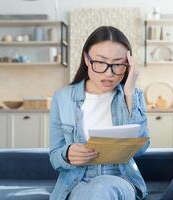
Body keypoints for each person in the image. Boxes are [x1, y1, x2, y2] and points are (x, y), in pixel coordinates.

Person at [49, 26, 150, 200]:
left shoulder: (133, 94)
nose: (109, 73)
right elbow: (54, 157)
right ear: (87, 60)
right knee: (91, 192)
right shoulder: (62, 97)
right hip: (76, 182)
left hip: (120, 179)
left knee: (101, 187)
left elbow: (141, 149)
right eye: (101, 63)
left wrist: (129, 92)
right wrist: (67, 153)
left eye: (118, 64)